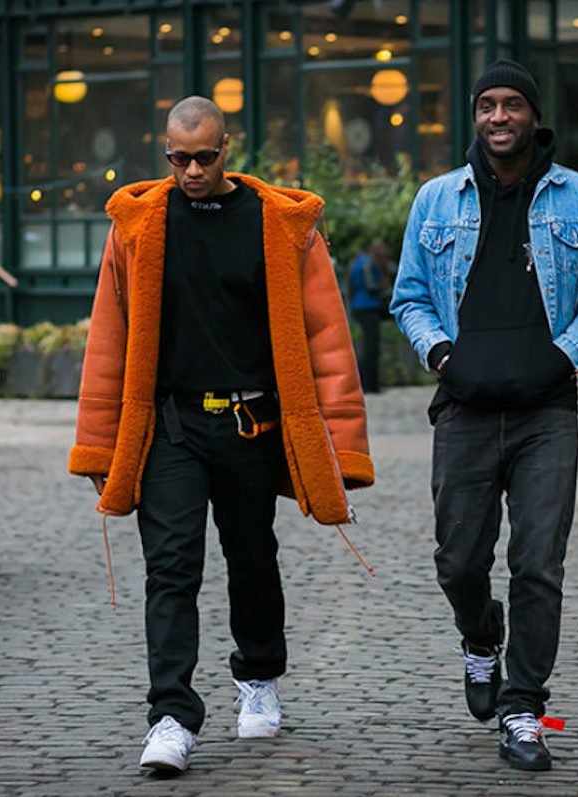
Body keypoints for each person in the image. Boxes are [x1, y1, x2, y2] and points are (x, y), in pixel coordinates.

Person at [67, 96, 373, 775]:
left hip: (249, 423)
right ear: (166, 153)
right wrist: (98, 441)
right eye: (178, 158)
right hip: (171, 426)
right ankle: (171, 715)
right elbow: (109, 335)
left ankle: (258, 674)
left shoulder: (276, 222)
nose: (192, 170)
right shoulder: (140, 225)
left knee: (252, 558)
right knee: (171, 568)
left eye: (204, 157)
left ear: (226, 149)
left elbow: (326, 337)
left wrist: (344, 445)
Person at [391, 60, 578, 772]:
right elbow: (409, 297)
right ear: (476, 115)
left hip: (545, 413)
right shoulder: (437, 199)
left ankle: (523, 707)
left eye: (513, 105)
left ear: (533, 114)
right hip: (463, 409)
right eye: (488, 105)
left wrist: (562, 357)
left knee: (538, 563)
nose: (499, 117)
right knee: (459, 560)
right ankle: (479, 635)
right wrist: (441, 356)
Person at [349, 240, 393, 393]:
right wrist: (386, 291)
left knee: (368, 347)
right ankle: (369, 385)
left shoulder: (358, 262)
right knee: (372, 348)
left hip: (359, 306)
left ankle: (366, 384)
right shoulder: (369, 263)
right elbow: (371, 286)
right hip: (368, 307)